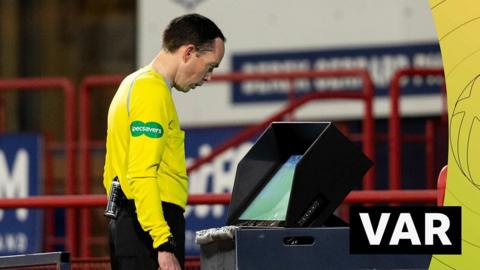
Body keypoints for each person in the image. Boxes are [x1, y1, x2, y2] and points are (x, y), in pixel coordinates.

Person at [102, 13, 226, 270]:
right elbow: (141, 174)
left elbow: (111, 174)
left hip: (132, 224)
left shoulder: (132, 84)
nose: (208, 77)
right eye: (210, 66)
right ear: (188, 52)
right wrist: (163, 243)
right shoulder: (151, 92)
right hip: (147, 233)